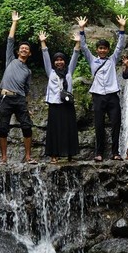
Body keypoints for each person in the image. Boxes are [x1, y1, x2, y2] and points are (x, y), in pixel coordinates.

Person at [76, 15, 127, 162]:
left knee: (116, 124)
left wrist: (122, 28)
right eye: (100, 48)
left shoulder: (112, 60)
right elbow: (83, 47)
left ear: (108, 50)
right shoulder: (92, 60)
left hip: (112, 95)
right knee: (99, 126)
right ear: (97, 50)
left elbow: (120, 46)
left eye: (105, 48)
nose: (103, 50)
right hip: (97, 96)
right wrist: (81, 28)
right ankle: (98, 153)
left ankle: (115, 152)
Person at [0, 11, 36, 164]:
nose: (24, 50)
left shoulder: (28, 71)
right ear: (18, 51)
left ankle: (28, 157)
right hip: (6, 97)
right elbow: (10, 40)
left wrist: (27, 105)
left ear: (30, 53)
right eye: (22, 48)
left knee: (27, 126)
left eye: (27, 49)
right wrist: (14, 22)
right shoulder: (10, 60)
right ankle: (4, 158)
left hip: (19, 99)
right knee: (3, 128)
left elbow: (26, 90)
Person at [39, 30, 81, 163]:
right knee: (54, 130)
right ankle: (54, 155)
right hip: (55, 104)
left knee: (69, 129)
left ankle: (70, 154)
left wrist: (78, 42)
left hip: (67, 104)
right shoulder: (50, 72)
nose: (59, 62)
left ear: (64, 61)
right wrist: (43, 42)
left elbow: (75, 55)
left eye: (61, 60)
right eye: (56, 60)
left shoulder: (69, 71)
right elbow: (45, 56)